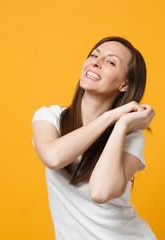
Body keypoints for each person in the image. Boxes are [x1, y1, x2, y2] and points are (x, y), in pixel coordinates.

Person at [32, 36, 157, 239]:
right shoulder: (50, 117)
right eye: (93, 55)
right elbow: (53, 157)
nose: (95, 62)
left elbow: (100, 192)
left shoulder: (130, 135)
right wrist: (111, 117)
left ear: (124, 84)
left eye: (110, 61)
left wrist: (122, 124)